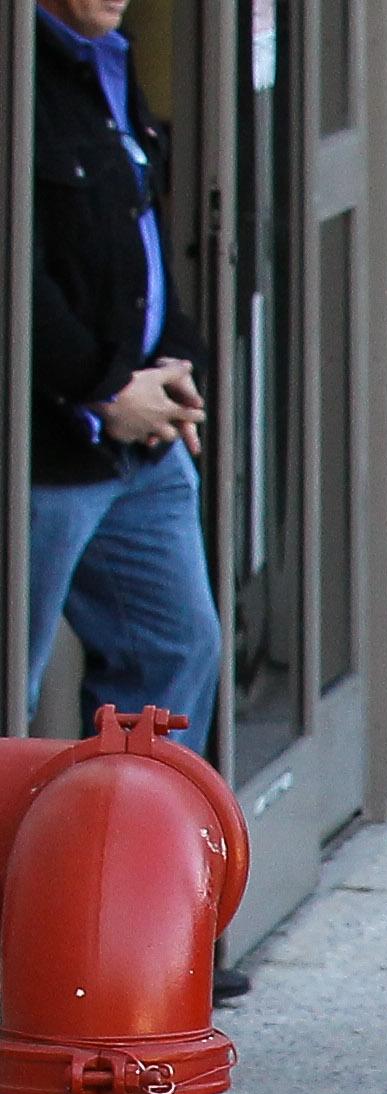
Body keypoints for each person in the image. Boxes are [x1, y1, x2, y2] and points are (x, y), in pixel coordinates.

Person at [26, 0, 220, 753]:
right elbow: (19, 278)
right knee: (18, 678)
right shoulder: (21, 70)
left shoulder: (107, 57)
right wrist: (107, 390)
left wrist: (172, 362)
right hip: (49, 448)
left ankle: (131, 865)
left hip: (141, 441)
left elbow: (140, 234)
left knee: (175, 653)